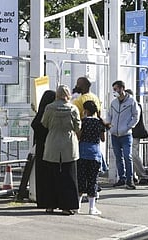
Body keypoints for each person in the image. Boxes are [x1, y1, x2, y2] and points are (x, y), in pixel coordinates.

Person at [41, 85, 81, 215]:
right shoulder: (73, 108)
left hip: (52, 142)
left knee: (51, 176)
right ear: (68, 95)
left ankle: (50, 205)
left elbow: (44, 123)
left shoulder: (49, 108)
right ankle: (67, 206)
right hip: (69, 144)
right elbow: (77, 126)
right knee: (69, 176)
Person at [108, 81, 140, 189]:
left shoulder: (131, 101)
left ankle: (129, 179)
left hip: (126, 134)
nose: (115, 91)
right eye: (114, 89)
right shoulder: (113, 103)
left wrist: (128, 126)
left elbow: (136, 115)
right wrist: (109, 127)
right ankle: (121, 178)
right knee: (118, 157)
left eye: (116, 89)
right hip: (114, 134)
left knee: (128, 156)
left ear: (122, 88)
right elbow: (109, 115)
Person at [77, 101, 106, 215]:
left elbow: (79, 136)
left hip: (82, 153)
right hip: (95, 154)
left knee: (81, 179)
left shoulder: (83, 122)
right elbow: (102, 139)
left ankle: (77, 206)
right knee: (93, 181)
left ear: (86, 110)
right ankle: (91, 208)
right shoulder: (99, 123)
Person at [31, 90, 56, 209]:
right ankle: (49, 200)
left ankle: (41, 200)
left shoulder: (40, 114)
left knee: (40, 175)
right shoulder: (50, 113)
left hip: (40, 147)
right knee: (50, 175)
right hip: (50, 147)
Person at [125, 89, 148, 185]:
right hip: (132, 133)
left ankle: (143, 175)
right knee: (131, 155)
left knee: (133, 154)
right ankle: (134, 175)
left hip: (134, 133)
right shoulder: (135, 105)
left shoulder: (135, 105)